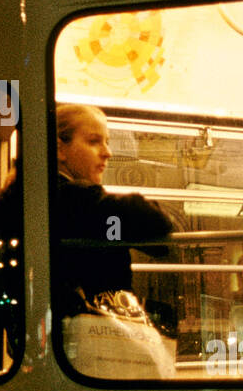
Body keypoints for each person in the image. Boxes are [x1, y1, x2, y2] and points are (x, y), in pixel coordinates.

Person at [47, 104, 174, 314]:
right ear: (60, 149)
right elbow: (156, 224)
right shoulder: (72, 197)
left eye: (106, 142)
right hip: (93, 329)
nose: (107, 152)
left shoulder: (40, 194)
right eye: (94, 141)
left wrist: (115, 232)